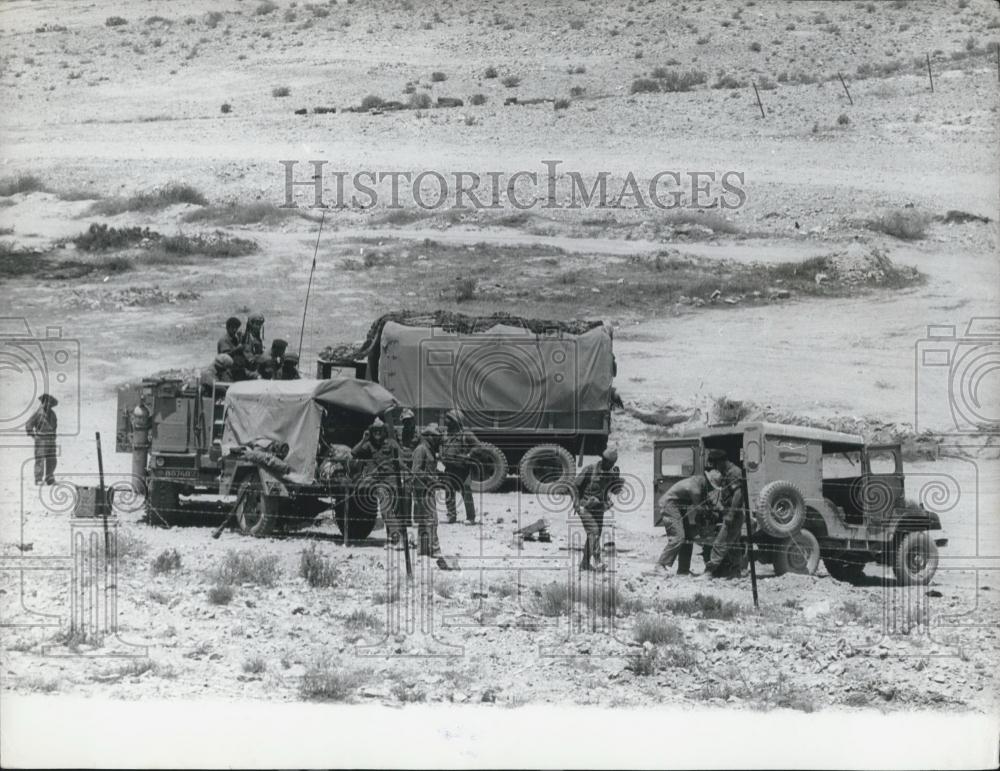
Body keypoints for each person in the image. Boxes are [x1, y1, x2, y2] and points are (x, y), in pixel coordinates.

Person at [352, 418, 404, 543]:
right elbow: (354, 452)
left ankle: (391, 539)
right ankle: (399, 538)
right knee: (386, 509)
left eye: (380, 431)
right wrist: (363, 439)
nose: (377, 433)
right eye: (375, 431)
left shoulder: (391, 443)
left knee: (394, 511)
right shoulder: (368, 445)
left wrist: (403, 474)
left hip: (392, 480)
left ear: (384, 431)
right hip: (378, 482)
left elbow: (401, 458)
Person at [654, 473, 714, 577]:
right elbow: (699, 509)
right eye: (711, 487)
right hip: (670, 505)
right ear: (707, 483)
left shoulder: (698, 482)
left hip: (678, 507)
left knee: (688, 538)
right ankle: (660, 565)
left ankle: (683, 570)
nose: (711, 489)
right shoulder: (695, 488)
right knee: (678, 537)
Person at [572, 448, 622, 571]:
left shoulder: (610, 474)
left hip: (599, 508)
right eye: (605, 461)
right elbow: (574, 486)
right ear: (603, 459)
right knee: (593, 531)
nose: (607, 464)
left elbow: (616, 491)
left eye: (610, 463)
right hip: (585, 507)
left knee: (595, 535)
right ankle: (598, 561)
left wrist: (617, 479)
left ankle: (584, 564)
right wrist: (577, 504)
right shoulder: (590, 470)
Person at [703, 449, 747, 578]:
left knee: (720, 543)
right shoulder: (727, 472)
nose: (716, 468)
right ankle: (735, 572)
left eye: (716, 465)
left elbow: (738, 494)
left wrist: (731, 514)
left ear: (722, 461)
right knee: (733, 545)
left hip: (734, 514)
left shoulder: (733, 472)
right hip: (732, 513)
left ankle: (709, 572)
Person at [440, 409, 481, 524]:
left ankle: (471, 517)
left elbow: (478, 446)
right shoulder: (446, 434)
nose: (446, 421)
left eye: (449, 419)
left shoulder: (465, 434)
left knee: (466, 493)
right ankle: (451, 516)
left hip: (463, 469)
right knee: (449, 492)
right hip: (449, 468)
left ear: (455, 421)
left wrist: (469, 455)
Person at [410, 423, 444, 557]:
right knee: (432, 520)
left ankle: (422, 550)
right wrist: (431, 478)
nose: (437, 439)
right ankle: (435, 549)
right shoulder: (421, 449)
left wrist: (438, 475)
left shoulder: (429, 450)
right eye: (435, 437)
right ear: (428, 436)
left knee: (425, 521)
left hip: (428, 488)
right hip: (422, 489)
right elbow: (416, 471)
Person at [25, 394, 58, 486]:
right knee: (40, 459)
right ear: (43, 402)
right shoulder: (38, 413)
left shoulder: (53, 414)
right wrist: (33, 436)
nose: (48, 404)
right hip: (41, 439)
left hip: (51, 439)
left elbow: (55, 426)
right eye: (46, 402)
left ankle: (49, 477)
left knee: (52, 459)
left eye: (50, 403)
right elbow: (29, 424)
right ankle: (38, 479)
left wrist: (54, 436)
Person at [218, 316, 254, 380]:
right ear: (227, 328)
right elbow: (225, 356)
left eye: (236, 328)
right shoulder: (223, 340)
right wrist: (237, 349)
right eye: (232, 328)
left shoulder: (236, 338)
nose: (235, 330)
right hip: (227, 369)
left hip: (237, 367)